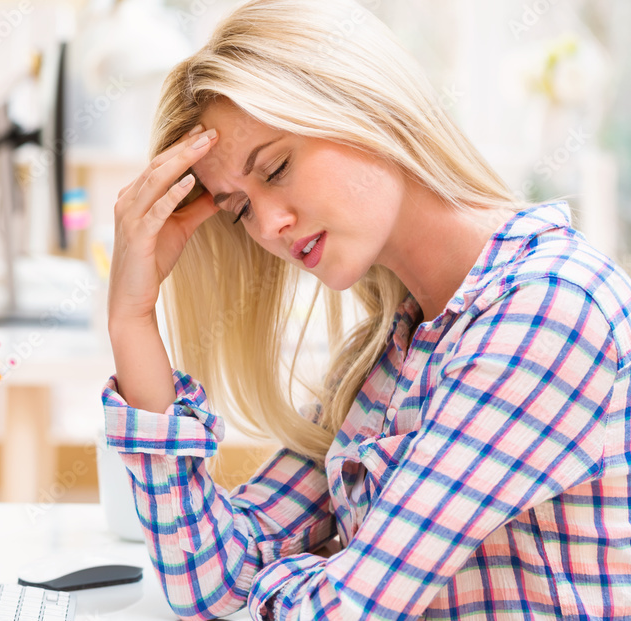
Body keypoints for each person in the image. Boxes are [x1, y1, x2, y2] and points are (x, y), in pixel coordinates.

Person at [100, 0, 631, 619]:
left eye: (276, 167)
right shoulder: (387, 355)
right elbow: (215, 580)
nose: (269, 225)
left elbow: (341, 610)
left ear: (363, 107)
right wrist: (132, 319)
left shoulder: (548, 311)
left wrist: (316, 575)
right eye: (239, 208)